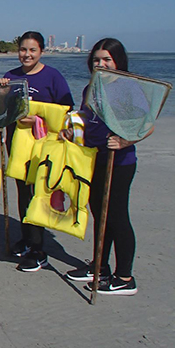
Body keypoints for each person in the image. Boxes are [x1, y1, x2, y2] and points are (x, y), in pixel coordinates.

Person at [63, 38, 146, 295]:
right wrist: (73, 131)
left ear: (118, 62)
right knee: (99, 214)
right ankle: (100, 266)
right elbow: (86, 120)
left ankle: (125, 277)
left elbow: (146, 124)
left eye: (107, 59)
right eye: (97, 59)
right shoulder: (91, 88)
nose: (101, 64)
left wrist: (124, 141)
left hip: (119, 162)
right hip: (93, 158)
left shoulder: (128, 88)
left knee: (117, 216)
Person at [1, 31, 73, 272]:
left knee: (38, 193)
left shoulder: (53, 77)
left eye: (32, 50)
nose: (27, 54)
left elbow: (67, 111)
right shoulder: (10, 77)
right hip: (18, 144)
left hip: (44, 146)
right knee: (22, 191)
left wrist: (39, 119)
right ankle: (27, 238)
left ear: (41, 51)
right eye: (23, 49)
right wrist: (1, 93)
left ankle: (39, 249)